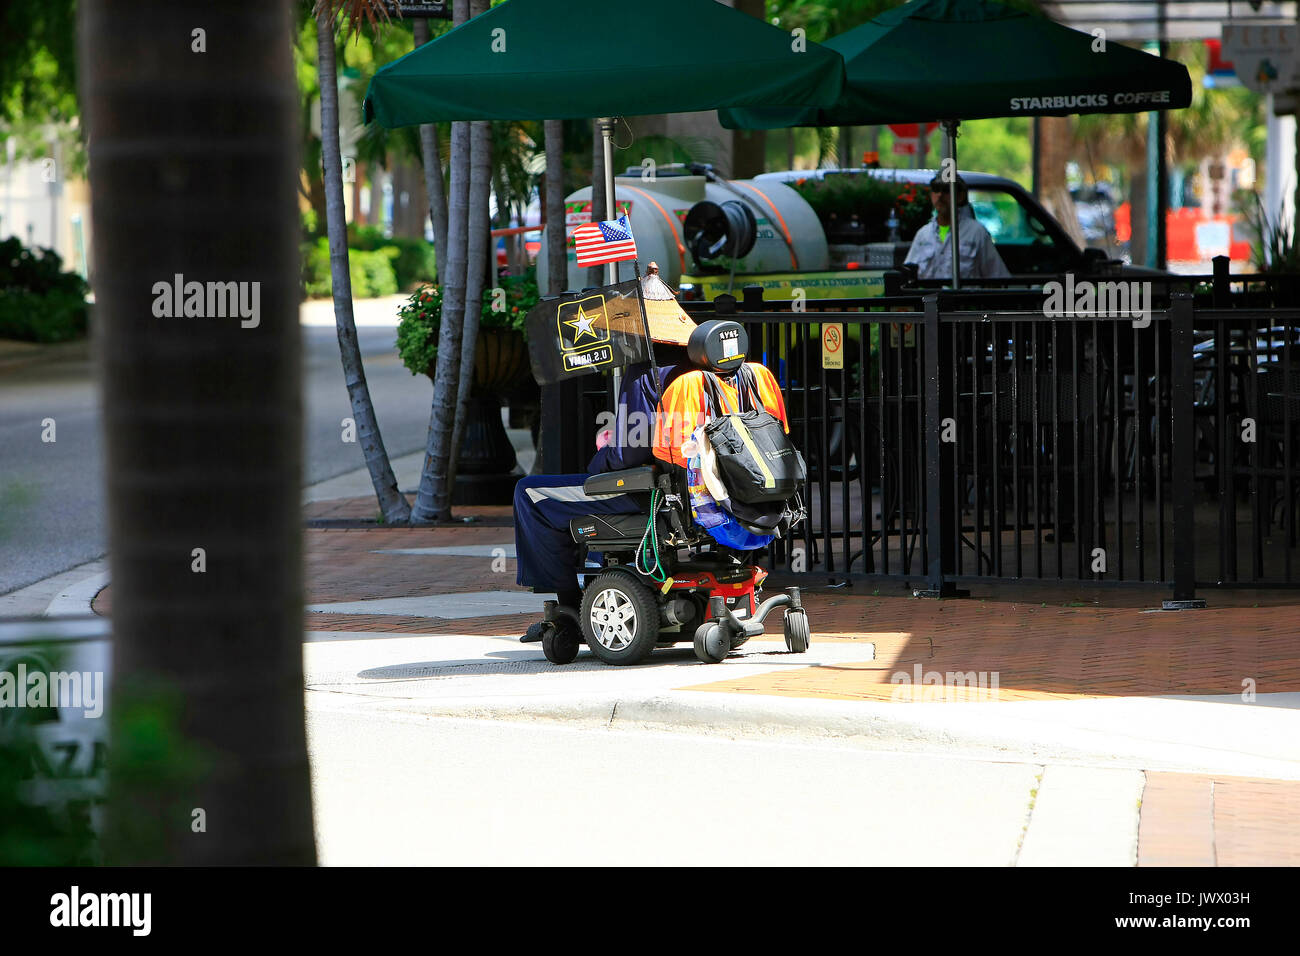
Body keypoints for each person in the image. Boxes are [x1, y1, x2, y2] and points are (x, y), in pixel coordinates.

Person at [905, 173, 1010, 281]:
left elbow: (997, 277)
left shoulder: (976, 232)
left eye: (946, 190)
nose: (940, 195)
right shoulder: (923, 234)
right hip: (929, 297)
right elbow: (907, 275)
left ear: (960, 196)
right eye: (936, 189)